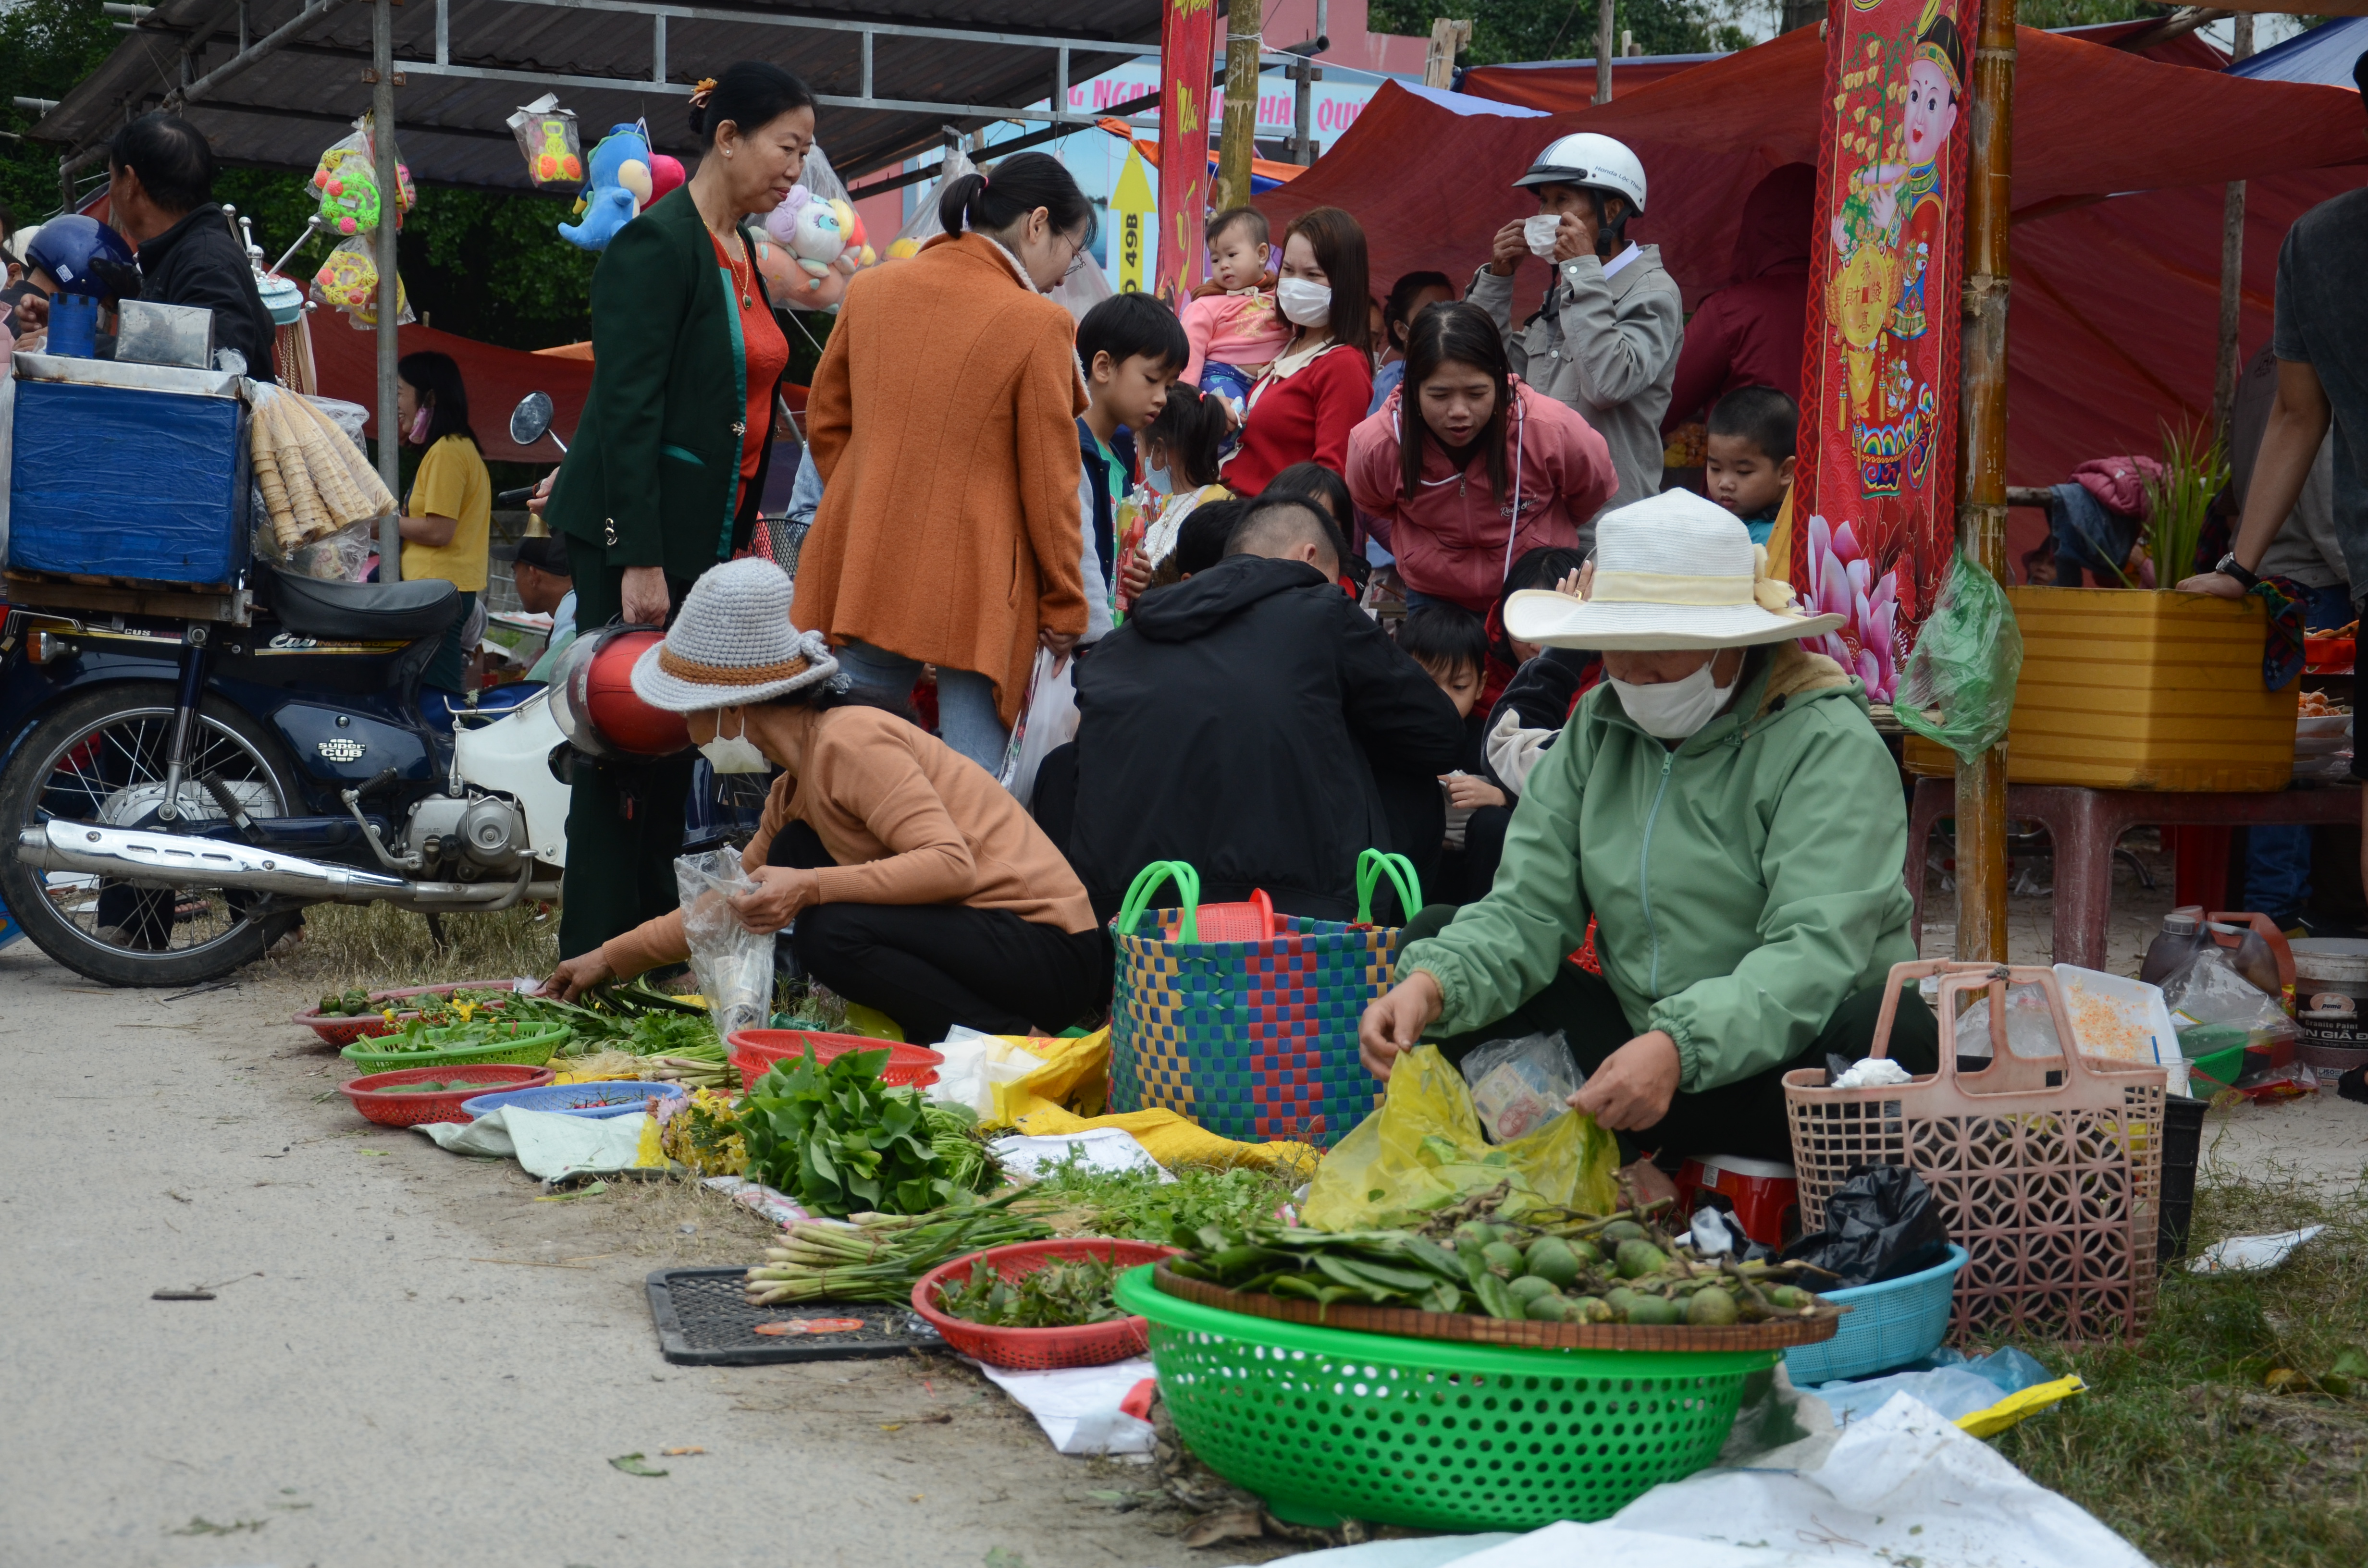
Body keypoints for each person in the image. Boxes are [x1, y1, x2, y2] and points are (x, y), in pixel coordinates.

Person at [1357, 490, 1938, 1167]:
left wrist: (1679, 1046)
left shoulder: (1825, 742)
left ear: (1730, 647)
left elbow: (1816, 950)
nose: (1630, 676)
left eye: (1657, 656)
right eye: (1617, 652)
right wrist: (1434, 985)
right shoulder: (1600, 727)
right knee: (1437, 943)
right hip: (1637, 1065)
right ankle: (1618, 1168)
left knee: (1890, 1029)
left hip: (1788, 1074)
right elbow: (1527, 909)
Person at [543, 560, 1107, 1044]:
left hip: (1050, 951)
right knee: (793, 852)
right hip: (987, 941)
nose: (688, 731)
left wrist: (809, 888)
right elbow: (732, 900)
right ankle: (961, 1032)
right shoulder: (793, 789)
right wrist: (611, 958)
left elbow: (950, 863)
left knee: (829, 932)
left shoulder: (850, 741)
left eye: (690, 710)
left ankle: (1012, 1040)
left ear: (733, 708)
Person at [542, 61, 812, 958]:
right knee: (622, 738)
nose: (795, 172)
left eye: (805, 154)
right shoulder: (657, 245)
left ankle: (641, 950)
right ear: (727, 138)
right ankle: (594, 953)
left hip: (706, 534)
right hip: (640, 531)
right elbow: (625, 410)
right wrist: (638, 555)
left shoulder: (741, 249)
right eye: (786, 147)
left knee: (672, 746)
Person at [793, 150, 1096, 773]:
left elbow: (825, 420)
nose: (1069, 272)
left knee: (845, 766)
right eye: (1074, 248)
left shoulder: (872, 288)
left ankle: (835, 872)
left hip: (869, 568)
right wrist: (1067, 604)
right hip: (980, 595)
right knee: (971, 792)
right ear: (1037, 224)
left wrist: (871, 494)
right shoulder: (1039, 324)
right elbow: (1053, 484)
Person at [1067, 495, 1465, 922]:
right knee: (1412, 785)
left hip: (1130, 916)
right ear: (1309, 558)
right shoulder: (1322, 610)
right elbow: (1440, 735)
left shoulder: (1114, 651)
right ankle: (1386, 962)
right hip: (1299, 914)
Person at [2176, 53, 2368, 902]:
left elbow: (2297, 414)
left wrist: (2237, 566)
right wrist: (2236, 569)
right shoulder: (2322, 246)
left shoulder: (2321, 240)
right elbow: (2297, 412)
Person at [1346, 301, 1616, 616]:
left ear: (1501, 381)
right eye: (1440, 395)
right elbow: (1373, 503)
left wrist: (1540, 535)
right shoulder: (1377, 444)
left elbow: (1592, 490)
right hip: (1435, 599)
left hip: (1536, 590)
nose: (1459, 411)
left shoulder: (1552, 430)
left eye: (1476, 394)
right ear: (1413, 391)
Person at [1470, 133, 1682, 527]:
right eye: (1542, 202)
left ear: (1613, 210)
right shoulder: (1566, 290)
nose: (1545, 214)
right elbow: (1488, 373)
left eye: (1562, 201)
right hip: (1537, 516)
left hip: (1607, 526)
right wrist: (1497, 282)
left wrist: (1582, 272)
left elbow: (1609, 384)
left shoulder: (1653, 292)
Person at [11, 116, 276, 380]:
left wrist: (78, 344)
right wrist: (70, 328)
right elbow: (166, 351)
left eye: (112, 177)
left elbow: (218, 363)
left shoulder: (206, 261)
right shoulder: (185, 254)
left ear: (131, 182)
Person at [1220, 208, 1375, 496]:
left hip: (1270, 528)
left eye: (1312, 275)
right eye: (1288, 271)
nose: (1294, 284)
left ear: (1346, 282)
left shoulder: (1344, 364)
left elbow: (1330, 481)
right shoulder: (1289, 343)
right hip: (1232, 512)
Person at [1661, 163, 1815, 433]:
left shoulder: (1729, 312)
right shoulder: (1862, 303)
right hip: (1855, 473)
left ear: (1751, 231)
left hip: (1745, 473)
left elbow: (1660, 406)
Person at [1076, 292, 1186, 639]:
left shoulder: (1118, 463)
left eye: (1169, 387)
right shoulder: (1072, 450)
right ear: (1104, 367)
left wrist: (1138, 576)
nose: (1162, 398)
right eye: (1152, 380)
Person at [393, 350, 493, 717]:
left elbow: (439, 530)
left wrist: (383, 525)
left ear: (429, 398)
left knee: (438, 695)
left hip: (437, 591)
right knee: (432, 686)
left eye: (400, 392)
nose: (394, 403)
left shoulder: (449, 451)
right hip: (440, 590)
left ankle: (448, 764)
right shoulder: (454, 449)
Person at [1397, 603, 1513, 906]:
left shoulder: (1494, 742)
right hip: (1409, 879)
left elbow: (1540, 799)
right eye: (1427, 683)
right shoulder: (1389, 736)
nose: (1442, 698)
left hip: (1473, 881)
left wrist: (1500, 796)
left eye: (1458, 686)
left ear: (1480, 686)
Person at [1178, 207, 1290, 420]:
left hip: (1269, 380)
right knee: (1230, 421)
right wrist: (1186, 398)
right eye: (1216, 260)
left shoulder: (1280, 296)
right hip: (1221, 376)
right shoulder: (1207, 304)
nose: (1224, 266)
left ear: (1261, 254)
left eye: (1231, 255)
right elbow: (1191, 351)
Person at [1127, 382, 1231, 587]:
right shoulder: (1170, 499)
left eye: (1137, 443)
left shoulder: (1216, 508)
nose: (1137, 452)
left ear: (1158, 451)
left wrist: (1152, 588)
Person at [1702, 385, 1798, 546]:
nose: (1725, 483)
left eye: (1743, 472)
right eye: (1715, 468)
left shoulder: (1780, 542)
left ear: (1786, 471)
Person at [1370, 270, 1455, 416]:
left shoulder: (1466, 372)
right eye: (1430, 316)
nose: (1444, 322)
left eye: (1453, 313)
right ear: (1402, 329)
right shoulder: (1392, 383)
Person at [505, 536, 579, 684]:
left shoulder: (572, 616)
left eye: (515, 573)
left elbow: (535, 695)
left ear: (533, 575)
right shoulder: (577, 603)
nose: (515, 580)